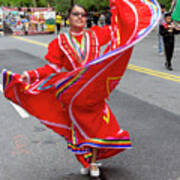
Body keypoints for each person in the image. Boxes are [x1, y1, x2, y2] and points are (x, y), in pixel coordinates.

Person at [2, 0, 159, 178]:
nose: (80, 17)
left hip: (94, 91)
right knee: (78, 128)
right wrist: (29, 76)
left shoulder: (95, 35)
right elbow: (52, 68)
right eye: (76, 14)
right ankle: (86, 160)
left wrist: (118, 7)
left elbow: (118, 31)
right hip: (73, 92)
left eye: (83, 15)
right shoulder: (60, 42)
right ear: (68, 18)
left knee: (96, 126)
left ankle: (92, 162)